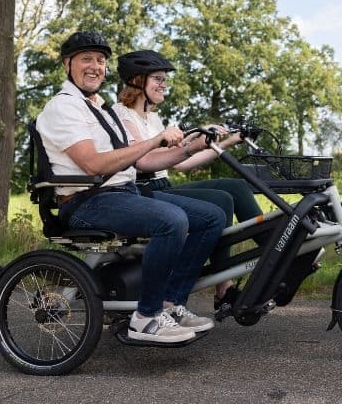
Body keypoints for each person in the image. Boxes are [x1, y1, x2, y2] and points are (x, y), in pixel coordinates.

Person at [35, 31, 227, 344]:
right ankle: (146, 317)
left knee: (212, 217)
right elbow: (93, 165)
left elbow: (142, 162)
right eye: (87, 59)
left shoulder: (98, 108)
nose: (95, 66)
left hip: (122, 194)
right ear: (68, 64)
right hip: (87, 202)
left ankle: (171, 303)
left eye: (101, 60)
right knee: (172, 220)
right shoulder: (64, 108)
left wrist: (190, 148)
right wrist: (155, 138)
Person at [112, 49, 264, 308]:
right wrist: (191, 143)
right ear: (138, 81)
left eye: (164, 79)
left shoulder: (153, 117)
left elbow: (183, 163)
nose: (164, 84)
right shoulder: (122, 114)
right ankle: (208, 288)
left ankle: (269, 253)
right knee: (221, 201)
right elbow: (144, 160)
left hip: (163, 185)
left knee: (235, 187)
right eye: (158, 79)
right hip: (142, 190)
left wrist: (227, 142)